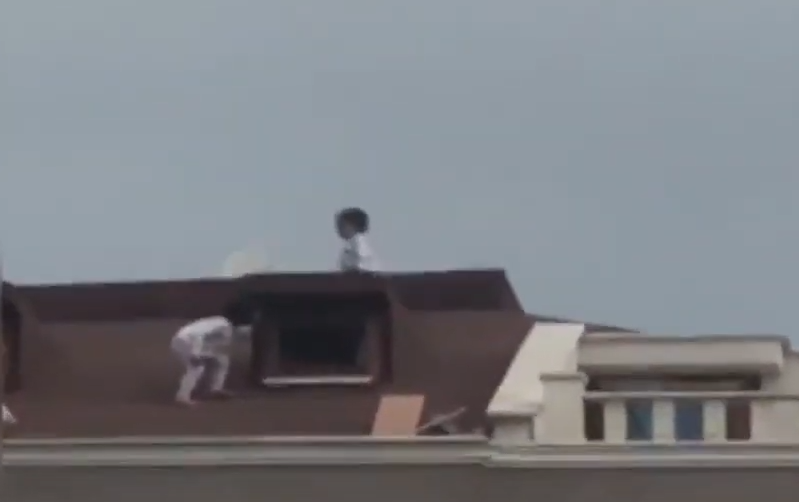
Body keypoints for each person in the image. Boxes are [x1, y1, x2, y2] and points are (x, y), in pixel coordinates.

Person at [170, 315, 249, 407]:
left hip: (192, 342)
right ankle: (182, 396)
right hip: (186, 342)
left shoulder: (223, 324)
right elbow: (197, 335)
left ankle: (215, 389)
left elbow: (213, 342)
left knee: (221, 360)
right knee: (196, 367)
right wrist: (195, 353)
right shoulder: (223, 326)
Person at [335, 207, 380, 272]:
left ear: (352, 225)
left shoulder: (357, 243)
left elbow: (359, 265)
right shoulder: (354, 243)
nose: (338, 229)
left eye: (342, 225)